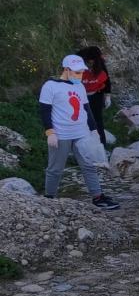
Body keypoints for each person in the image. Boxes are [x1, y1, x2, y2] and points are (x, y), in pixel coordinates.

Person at [39, 54, 119, 210]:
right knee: (55, 168)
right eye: (76, 72)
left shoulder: (79, 86)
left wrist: (94, 130)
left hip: (81, 133)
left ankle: (98, 197)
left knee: (89, 165)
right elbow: (44, 111)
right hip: (61, 134)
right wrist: (50, 132)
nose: (80, 75)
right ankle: (49, 199)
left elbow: (86, 109)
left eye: (81, 72)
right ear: (66, 69)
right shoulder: (50, 86)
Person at [77, 45, 112, 147]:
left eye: (92, 61)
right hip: (82, 95)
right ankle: (82, 144)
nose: (90, 63)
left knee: (97, 119)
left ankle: (102, 144)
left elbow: (106, 80)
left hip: (97, 94)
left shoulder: (100, 63)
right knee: (81, 119)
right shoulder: (78, 60)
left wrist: (108, 96)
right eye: (89, 61)